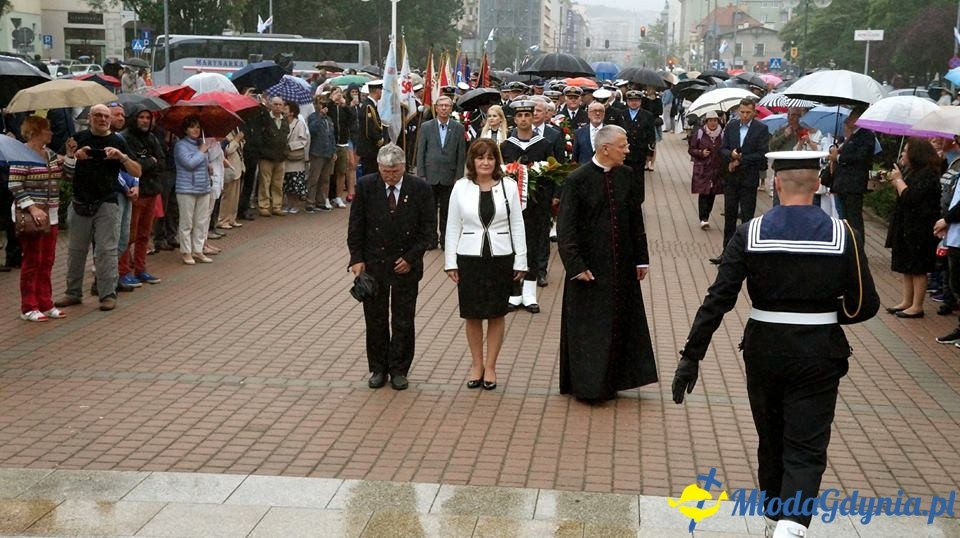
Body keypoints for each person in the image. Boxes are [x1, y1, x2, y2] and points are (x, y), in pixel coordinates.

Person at [671, 151, 879, 538]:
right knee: (806, 448)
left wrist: (691, 356)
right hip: (819, 351)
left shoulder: (749, 232)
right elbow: (866, 304)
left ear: (775, 184)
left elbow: (719, 298)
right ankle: (791, 527)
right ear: (818, 184)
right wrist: (827, 312)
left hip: (764, 350)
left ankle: (772, 522)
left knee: (771, 441)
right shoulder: (844, 233)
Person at [557, 125, 657, 402]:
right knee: (591, 329)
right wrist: (576, 265)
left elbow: (636, 221)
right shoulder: (577, 180)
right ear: (605, 149)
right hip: (589, 269)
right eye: (622, 146)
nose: (627, 150)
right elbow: (566, 228)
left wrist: (641, 258)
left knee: (619, 323)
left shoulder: (627, 175)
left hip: (622, 265)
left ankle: (614, 381)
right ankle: (587, 386)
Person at [347, 144, 436, 391]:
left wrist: (411, 258)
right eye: (386, 172)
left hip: (405, 265)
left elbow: (428, 229)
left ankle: (399, 369)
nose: (390, 177)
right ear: (378, 167)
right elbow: (356, 226)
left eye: (395, 172)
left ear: (404, 168)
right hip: (374, 264)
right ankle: (378, 368)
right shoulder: (366, 186)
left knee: (403, 319)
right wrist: (356, 259)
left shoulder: (420, 188)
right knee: (375, 319)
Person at [444, 138, 527, 390]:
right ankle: (476, 364)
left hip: (501, 257)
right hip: (469, 257)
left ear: (496, 161)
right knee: (472, 314)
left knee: (496, 313)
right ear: (473, 160)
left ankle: (491, 367)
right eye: (480, 157)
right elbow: (452, 225)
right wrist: (450, 262)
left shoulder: (508, 186)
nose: (485, 162)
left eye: (490, 158)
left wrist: (521, 259)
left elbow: (517, 224)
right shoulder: (460, 187)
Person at [56, 103, 142, 312]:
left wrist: (121, 157)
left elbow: (137, 171)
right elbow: (64, 173)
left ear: (110, 119)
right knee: (76, 251)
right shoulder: (77, 139)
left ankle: (107, 294)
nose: (102, 119)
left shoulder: (118, 141)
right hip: (79, 201)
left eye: (106, 116)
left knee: (106, 251)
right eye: (98, 116)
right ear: (90, 118)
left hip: (107, 202)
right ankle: (73, 293)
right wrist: (73, 157)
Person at [500, 100, 554, 313]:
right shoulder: (506, 146)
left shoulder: (544, 145)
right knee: (512, 247)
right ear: (514, 119)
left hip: (536, 205)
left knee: (533, 246)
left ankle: (530, 293)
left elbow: (552, 175)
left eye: (527, 116)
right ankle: (514, 292)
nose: (523, 119)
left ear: (533, 118)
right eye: (519, 116)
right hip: (511, 207)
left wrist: (550, 200)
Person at [11, 116, 64, 321]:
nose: (51, 133)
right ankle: (28, 306)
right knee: (32, 260)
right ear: (36, 131)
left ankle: (46, 302)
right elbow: (14, 184)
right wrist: (32, 207)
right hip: (32, 216)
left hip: (51, 214)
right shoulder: (21, 154)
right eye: (47, 130)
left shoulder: (49, 154)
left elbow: (65, 176)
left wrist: (69, 156)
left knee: (48, 260)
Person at [884, 138, 942, 318]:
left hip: (920, 227)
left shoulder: (928, 175)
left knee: (917, 266)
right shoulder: (912, 172)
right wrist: (897, 182)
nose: (903, 153)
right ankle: (906, 301)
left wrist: (899, 181)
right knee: (906, 265)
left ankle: (917, 305)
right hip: (905, 224)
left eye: (906, 150)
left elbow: (912, 198)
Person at [711, 98, 770, 264]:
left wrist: (741, 160)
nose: (744, 115)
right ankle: (727, 253)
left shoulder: (761, 129)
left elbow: (762, 155)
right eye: (742, 112)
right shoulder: (731, 126)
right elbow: (722, 149)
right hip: (731, 178)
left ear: (754, 112)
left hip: (748, 179)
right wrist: (731, 156)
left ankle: (746, 255)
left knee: (747, 217)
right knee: (729, 216)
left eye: (747, 112)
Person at [118, 105, 166, 288]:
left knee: (144, 235)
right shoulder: (125, 138)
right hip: (134, 194)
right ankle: (124, 271)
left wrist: (146, 164)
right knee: (128, 234)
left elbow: (161, 162)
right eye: (142, 117)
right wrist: (148, 162)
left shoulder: (152, 138)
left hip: (151, 190)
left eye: (148, 117)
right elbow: (131, 166)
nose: (145, 121)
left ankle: (141, 269)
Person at [416, 95, 466, 250]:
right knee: (429, 211)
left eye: (447, 106)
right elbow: (421, 151)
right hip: (430, 174)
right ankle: (431, 239)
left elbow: (461, 154)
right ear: (436, 108)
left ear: (451, 109)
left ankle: (445, 239)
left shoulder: (458, 128)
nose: (444, 108)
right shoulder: (426, 127)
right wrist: (421, 173)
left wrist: (459, 176)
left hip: (449, 176)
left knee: (447, 210)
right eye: (441, 105)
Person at [825, 109, 876, 237]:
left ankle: (857, 244)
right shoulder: (851, 136)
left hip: (854, 184)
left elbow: (860, 157)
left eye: (851, 117)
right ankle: (848, 241)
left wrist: (838, 158)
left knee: (854, 218)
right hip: (842, 184)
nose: (848, 120)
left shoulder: (866, 136)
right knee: (845, 217)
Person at [173, 116, 213, 265]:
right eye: (192, 127)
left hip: (203, 187)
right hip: (186, 188)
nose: (195, 130)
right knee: (187, 222)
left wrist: (208, 165)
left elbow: (199, 162)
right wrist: (202, 152)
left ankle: (198, 249)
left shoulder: (200, 144)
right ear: (185, 129)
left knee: (201, 221)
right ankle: (186, 251)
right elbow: (189, 164)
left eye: (197, 127)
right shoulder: (180, 145)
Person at [688, 110, 725, 230]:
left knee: (712, 193)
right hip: (702, 168)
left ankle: (707, 214)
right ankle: (703, 218)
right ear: (706, 122)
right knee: (703, 193)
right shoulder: (700, 133)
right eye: (710, 121)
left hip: (716, 169)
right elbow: (691, 149)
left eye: (715, 120)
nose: (713, 123)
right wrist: (701, 153)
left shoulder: (723, 134)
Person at [257, 95, 290, 217]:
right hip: (267, 156)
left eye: (280, 104)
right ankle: (264, 206)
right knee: (265, 182)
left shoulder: (284, 120)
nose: (277, 107)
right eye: (275, 104)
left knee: (278, 184)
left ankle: (277, 205)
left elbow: (286, 136)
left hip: (280, 157)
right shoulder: (266, 119)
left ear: (283, 106)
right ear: (271, 105)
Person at [622, 90, 657, 203]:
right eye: (631, 100)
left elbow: (651, 136)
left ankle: (638, 200)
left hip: (639, 153)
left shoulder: (647, 115)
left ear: (640, 101)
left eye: (636, 100)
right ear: (627, 101)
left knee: (638, 178)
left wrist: (650, 154)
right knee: (624, 177)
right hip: (623, 153)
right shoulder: (621, 114)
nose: (634, 103)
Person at [306, 95, 337, 212]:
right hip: (317, 152)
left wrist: (334, 150)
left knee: (325, 179)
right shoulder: (313, 117)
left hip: (328, 152)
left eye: (326, 105)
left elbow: (332, 136)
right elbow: (312, 130)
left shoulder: (329, 119)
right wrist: (319, 115)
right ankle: (310, 201)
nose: (324, 107)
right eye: (322, 104)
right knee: (314, 178)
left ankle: (321, 200)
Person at [282, 100, 310, 214]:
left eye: (286, 109)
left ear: (292, 112)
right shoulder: (282, 123)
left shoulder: (299, 124)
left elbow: (304, 140)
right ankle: (288, 204)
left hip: (295, 158)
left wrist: (291, 145)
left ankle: (295, 205)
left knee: (295, 183)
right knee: (287, 183)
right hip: (285, 158)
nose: (284, 110)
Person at [356, 80, 386, 176]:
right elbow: (369, 128)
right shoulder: (368, 107)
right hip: (369, 147)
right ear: (377, 91)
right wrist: (378, 139)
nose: (381, 93)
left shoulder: (372, 105)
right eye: (381, 91)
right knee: (369, 174)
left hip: (371, 148)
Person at [217, 129, 245, 228]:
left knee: (235, 196)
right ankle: (223, 219)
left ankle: (232, 218)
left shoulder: (237, 130)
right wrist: (236, 140)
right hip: (230, 167)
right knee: (228, 195)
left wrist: (240, 141)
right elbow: (227, 150)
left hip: (239, 167)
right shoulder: (225, 133)